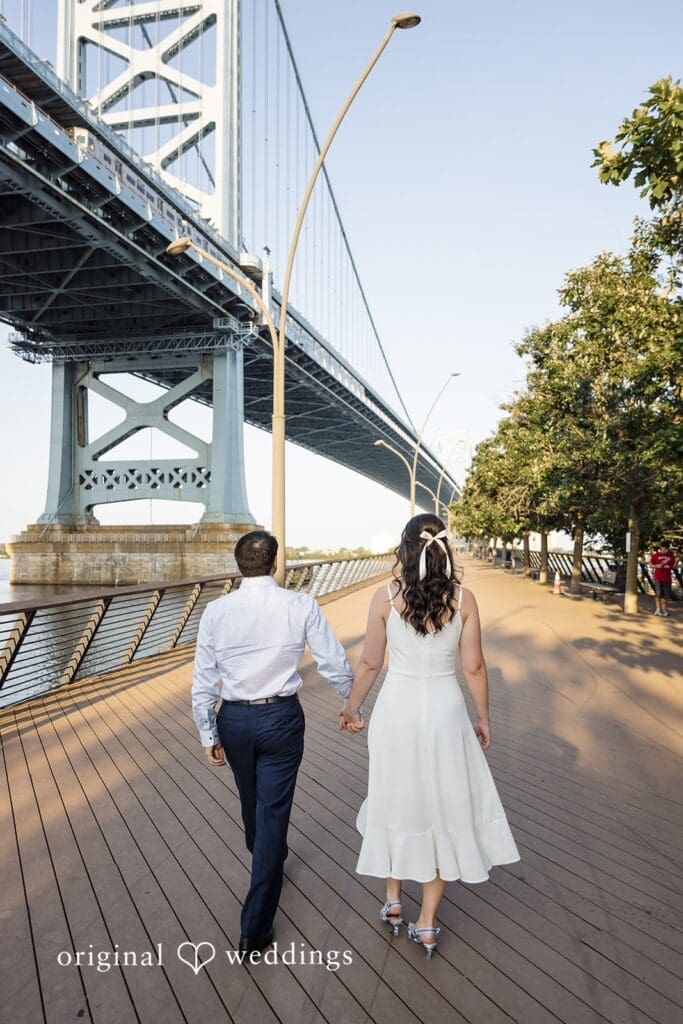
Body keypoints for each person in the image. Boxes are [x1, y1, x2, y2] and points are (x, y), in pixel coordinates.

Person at [340, 514, 520, 958]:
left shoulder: (385, 598)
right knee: (440, 805)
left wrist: (351, 706)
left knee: (395, 798)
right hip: (445, 712)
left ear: (405, 550)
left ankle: (394, 898)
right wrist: (483, 717)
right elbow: (474, 667)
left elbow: (369, 663)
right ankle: (426, 923)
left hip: (396, 710)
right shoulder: (465, 600)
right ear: (445, 551)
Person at [191, 530, 354, 955]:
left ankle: (256, 924)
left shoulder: (215, 611)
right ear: (274, 563)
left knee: (259, 807)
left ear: (239, 564)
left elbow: (204, 679)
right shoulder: (300, 604)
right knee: (266, 811)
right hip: (281, 717)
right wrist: (349, 702)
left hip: (235, 720)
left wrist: (208, 731)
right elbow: (332, 658)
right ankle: (268, 854)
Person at [650, 540, 676, 617]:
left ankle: (664, 609)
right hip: (658, 577)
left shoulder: (671, 556)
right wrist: (656, 566)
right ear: (660, 548)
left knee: (665, 595)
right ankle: (658, 609)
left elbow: (673, 567)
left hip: (667, 578)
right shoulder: (656, 555)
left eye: (665, 549)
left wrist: (676, 562)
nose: (663, 550)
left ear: (668, 549)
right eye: (662, 548)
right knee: (658, 594)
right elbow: (651, 564)